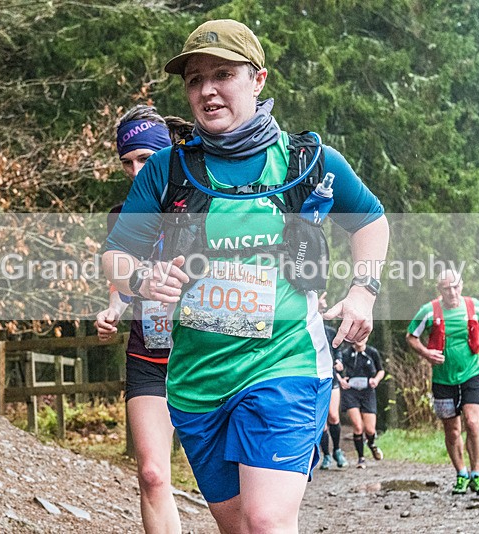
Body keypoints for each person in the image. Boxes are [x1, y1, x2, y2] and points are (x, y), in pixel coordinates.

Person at [102, 19, 389, 534]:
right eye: (194, 79)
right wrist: (144, 279)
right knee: (237, 527)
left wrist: (363, 292)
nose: (207, 90)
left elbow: (369, 220)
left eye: (223, 74)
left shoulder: (306, 162)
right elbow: (115, 256)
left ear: (257, 80)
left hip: (286, 364)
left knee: (265, 522)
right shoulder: (166, 171)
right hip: (197, 382)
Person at [95, 105, 191, 534]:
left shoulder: (199, 203)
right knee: (152, 475)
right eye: (127, 162)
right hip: (148, 354)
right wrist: (113, 308)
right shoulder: (122, 214)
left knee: (228, 484)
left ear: (167, 152)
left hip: (205, 354)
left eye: (145, 159)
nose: (135, 170)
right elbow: (119, 273)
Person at [406, 269, 479, 496]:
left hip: (471, 373)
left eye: (455, 287)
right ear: (440, 290)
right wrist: (426, 354)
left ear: (462, 285)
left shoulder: (474, 305)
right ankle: (461, 474)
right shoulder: (429, 311)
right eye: (447, 289)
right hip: (442, 379)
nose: (452, 292)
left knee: (472, 421)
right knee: (452, 430)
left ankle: (477, 474)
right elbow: (411, 336)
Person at [337, 337, 385, 468]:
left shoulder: (372, 352)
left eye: (362, 337)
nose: (359, 340)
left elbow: (381, 370)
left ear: (367, 337)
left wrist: (376, 380)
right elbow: (336, 369)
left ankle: (371, 443)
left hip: (368, 392)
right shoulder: (346, 354)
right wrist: (341, 380)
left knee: (370, 429)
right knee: (358, 426)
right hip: (351, 392)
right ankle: (361, 459)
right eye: (356, 337)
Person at [317, 292, 347, 470]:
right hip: (316, 378)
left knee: (333, 416)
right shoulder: (307, 328)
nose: (325, 305)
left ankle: (337, 450)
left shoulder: (329, 332)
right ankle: (326, 456)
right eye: (322, 302)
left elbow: (338, 350)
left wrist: (339, 361)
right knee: (322, 423)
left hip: (332, 377)